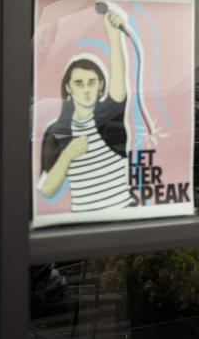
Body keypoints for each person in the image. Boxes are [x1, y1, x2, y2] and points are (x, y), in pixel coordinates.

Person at [37, 11, 135, 212]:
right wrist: (67, 155)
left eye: (92, 82)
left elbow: (118, 83)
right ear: (69, 89)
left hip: (125, 217)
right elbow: (47, 189)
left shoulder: (108, 117)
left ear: (100, 86)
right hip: (84, 223)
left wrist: (113, 34)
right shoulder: (59, 130)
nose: (86, 89)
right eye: (79, 83)